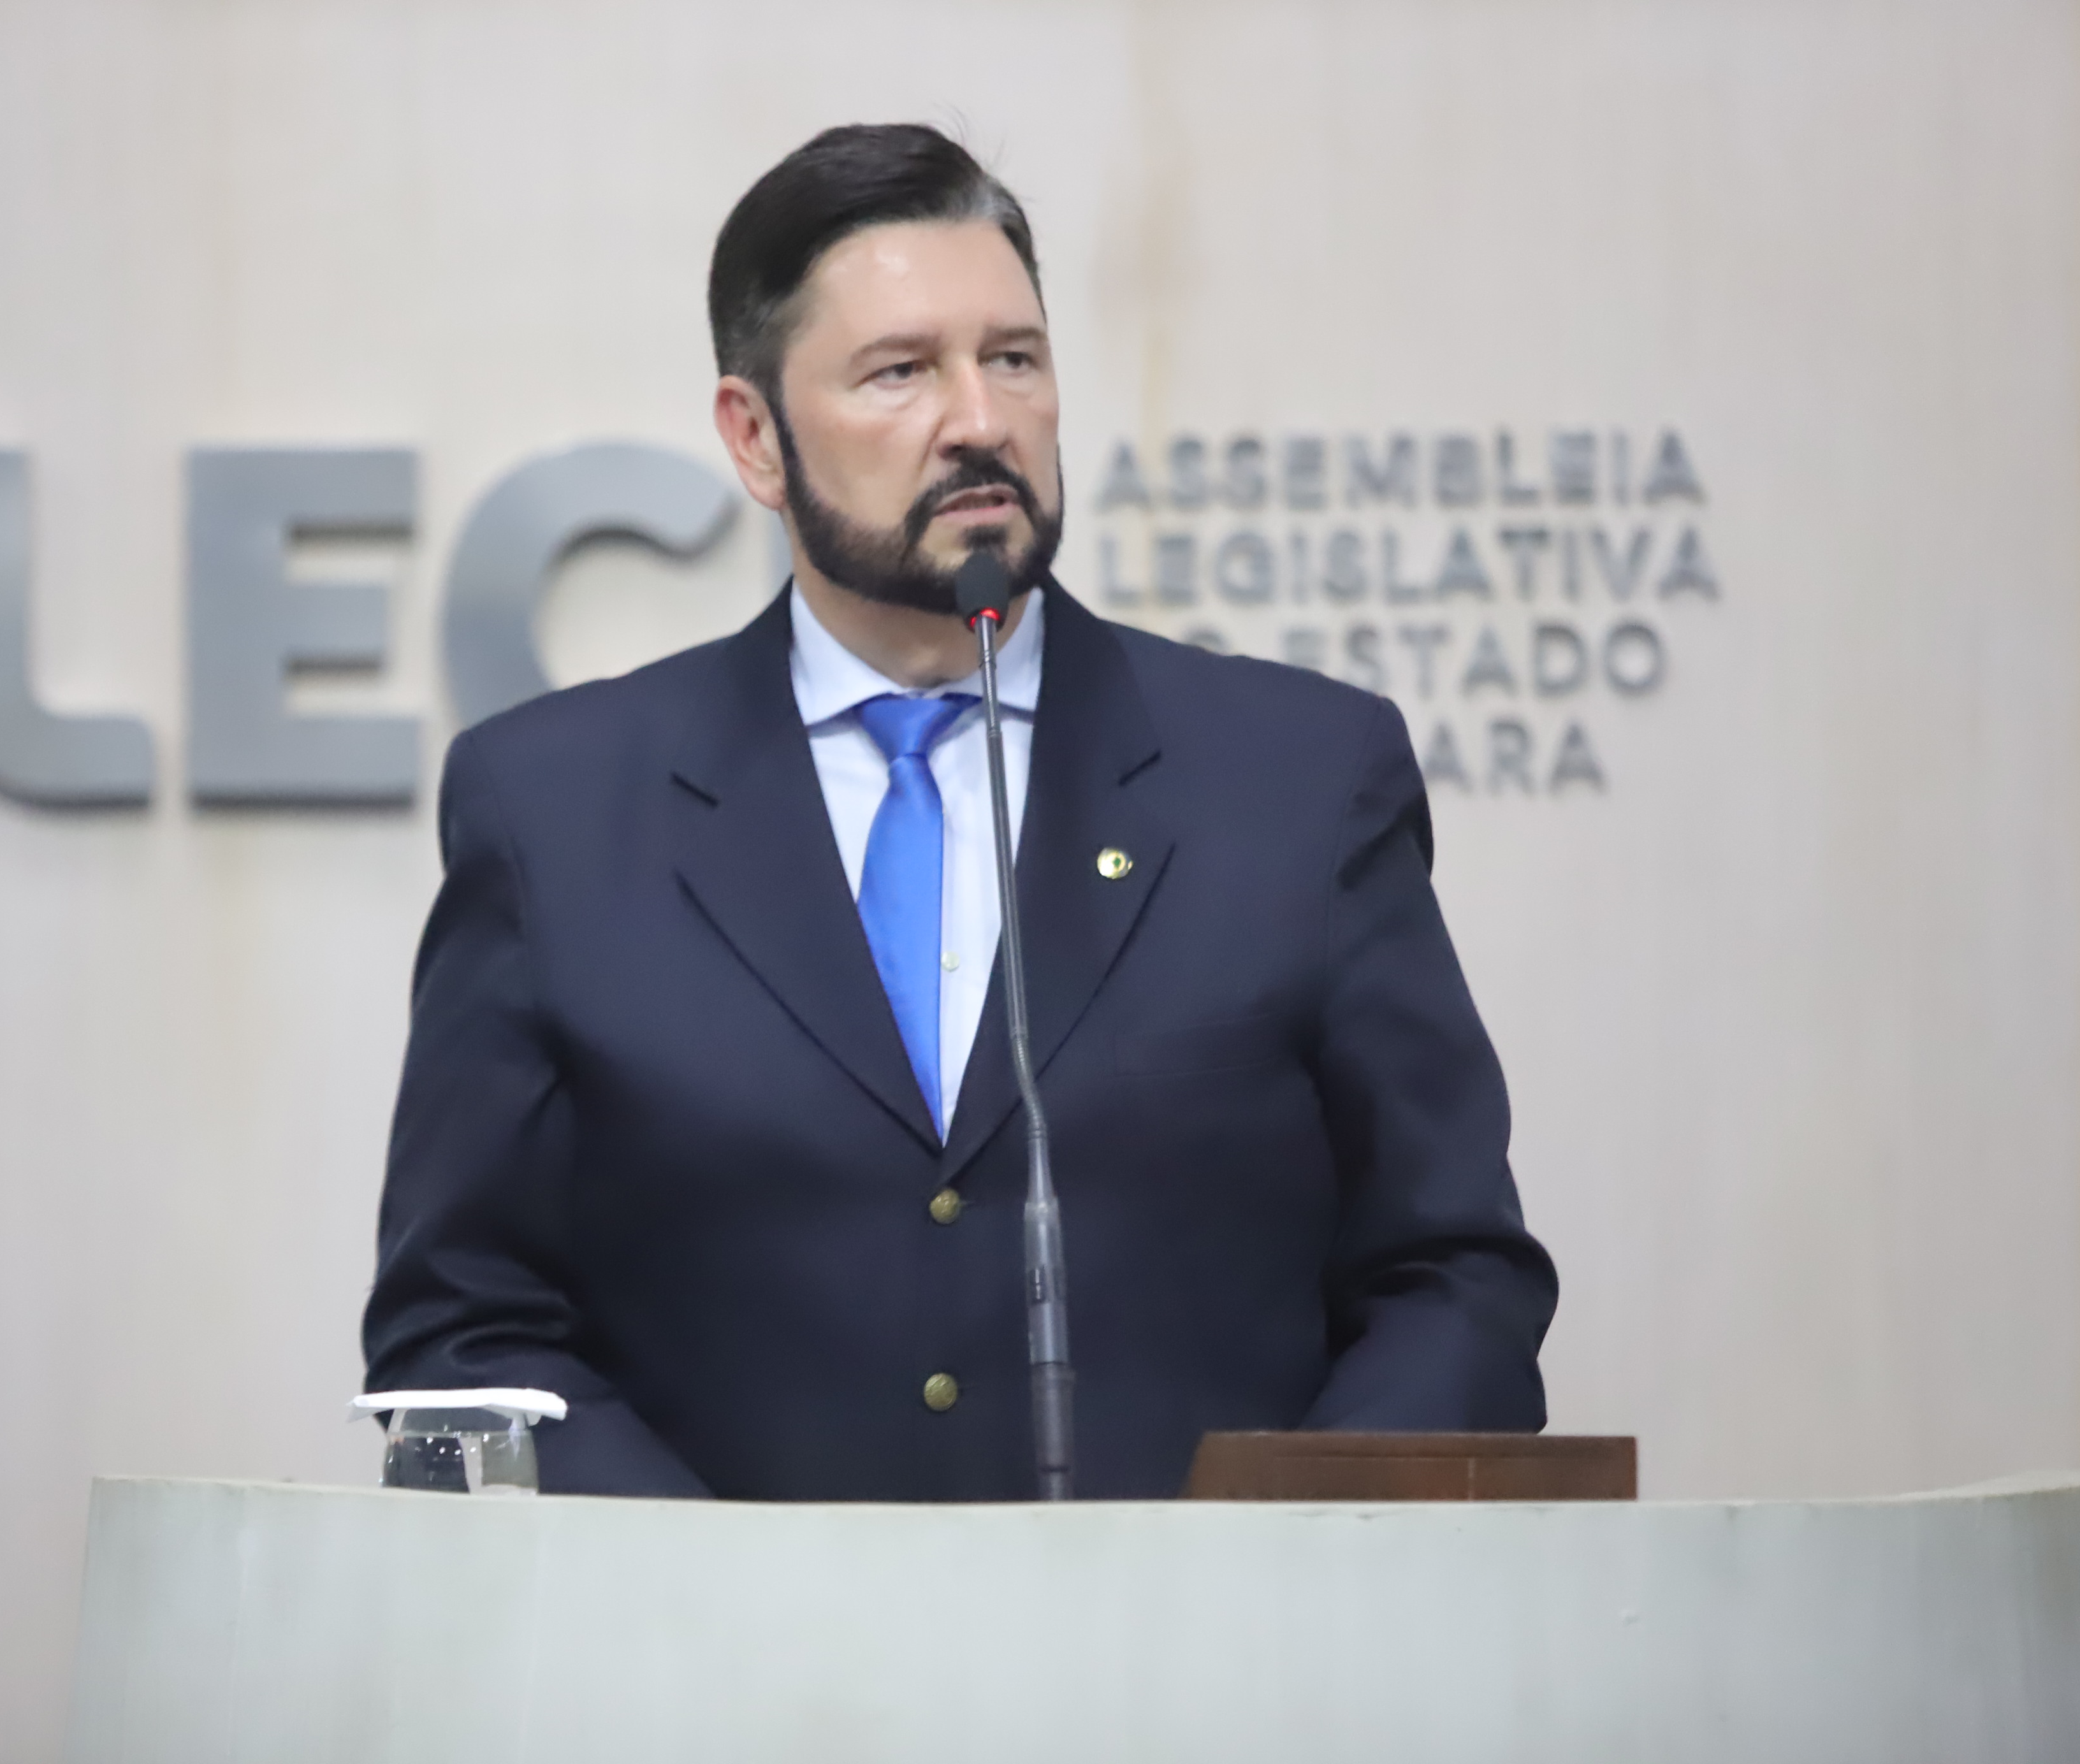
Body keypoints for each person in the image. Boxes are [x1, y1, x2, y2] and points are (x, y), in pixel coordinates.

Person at [361, 123, 1557, 1500]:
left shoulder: (1301, 780)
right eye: (901, 371)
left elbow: (1453, 1277)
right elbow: (464, 1334)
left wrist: (1260, 1569)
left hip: (1202, 1636)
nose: (980, 420)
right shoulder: (554, 812)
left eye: (1014, 359)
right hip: (715, 1639)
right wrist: (713, 1592)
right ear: (755, 438)